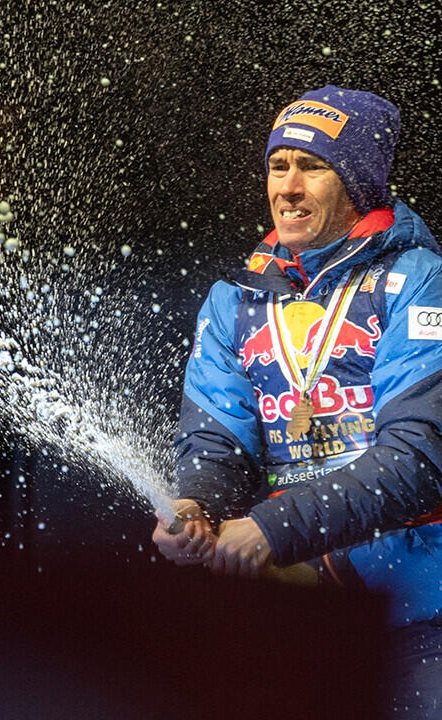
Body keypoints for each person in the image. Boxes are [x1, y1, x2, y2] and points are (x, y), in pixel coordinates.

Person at [153, 85, 442, 717]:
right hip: (301, 598)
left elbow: (421, 457)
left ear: (360, 185)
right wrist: (195, 506)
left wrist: (269, 530)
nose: (288, 186)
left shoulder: (419, 280)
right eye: (277, 166)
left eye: (312, 166)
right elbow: (216, 446)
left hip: (421, 609)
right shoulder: (235, 302)